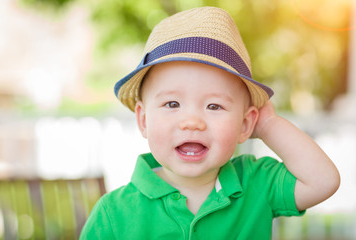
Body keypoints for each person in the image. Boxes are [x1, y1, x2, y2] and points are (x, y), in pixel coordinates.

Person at [80, 6, 340, 239]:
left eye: (214, 106)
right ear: (144, 120)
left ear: (244, 125)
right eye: (172, 104)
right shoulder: (112, 216)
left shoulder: (256, 184)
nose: (192, 122)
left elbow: (323, 181)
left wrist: (269, 125)